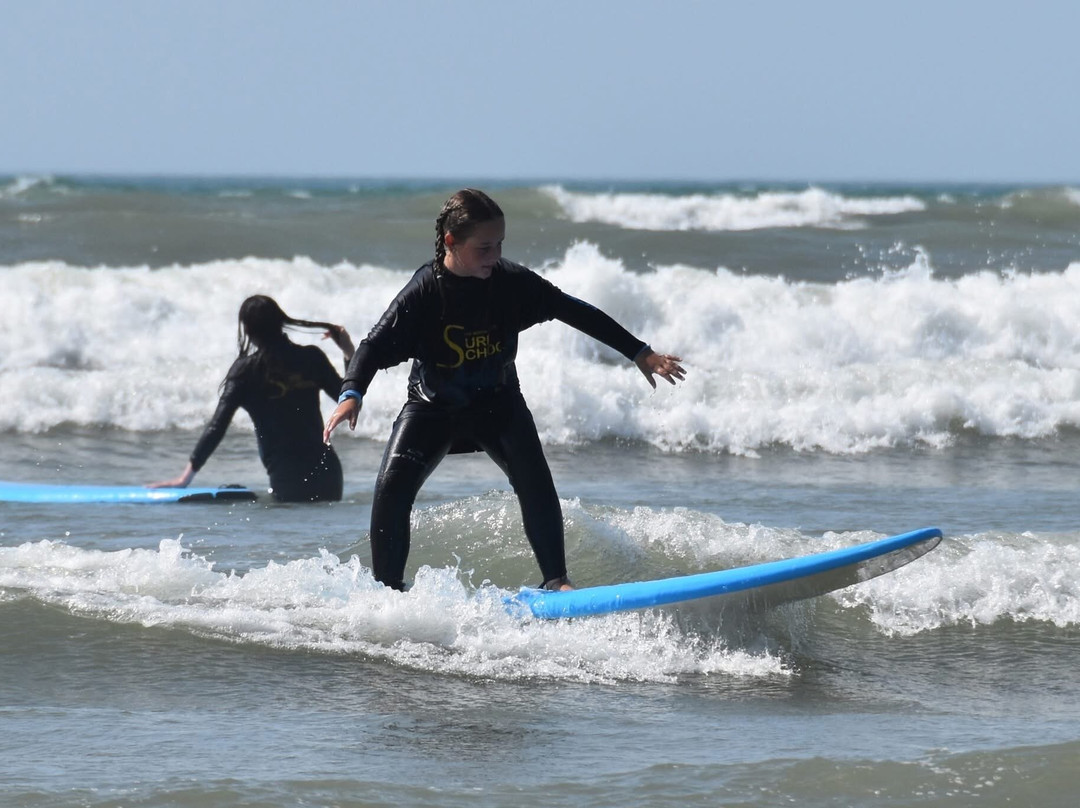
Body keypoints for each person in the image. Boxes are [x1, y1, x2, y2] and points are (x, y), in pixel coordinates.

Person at [323, 189, 685, 591]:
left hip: (497, 404)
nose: (494, 256)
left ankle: (557, 581)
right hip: (432, 406)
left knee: (535, 482)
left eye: (500, 245)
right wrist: (352, 392)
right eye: (484, 247)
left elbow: (573, 309)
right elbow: (373, 344)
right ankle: (388, 591)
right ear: (451, 242)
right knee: (391, 488)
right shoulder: (425, 291)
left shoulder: (510, 282)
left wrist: (639, 352)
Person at [151, 294, 354, 502]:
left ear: (247, 330)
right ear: (280, 323)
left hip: (288, 478)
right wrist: (349, 354)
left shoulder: (245, 372)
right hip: (329, 475)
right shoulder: (312, 358)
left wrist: (186, 477)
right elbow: (348, 399)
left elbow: (217, 427)